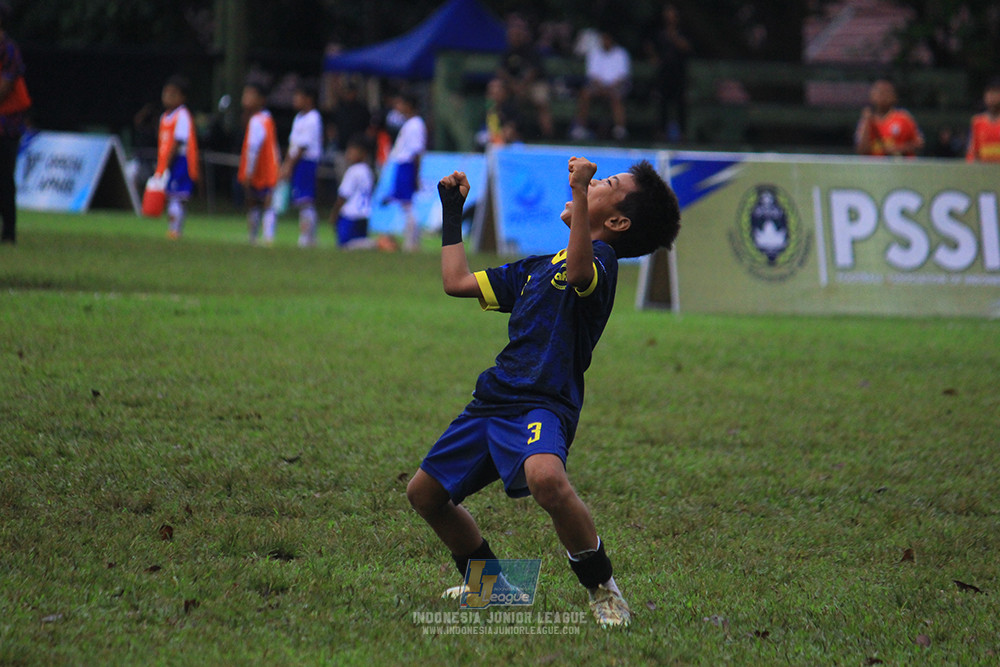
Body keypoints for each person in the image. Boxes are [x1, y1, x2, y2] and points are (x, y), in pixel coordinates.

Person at [406, 156, 681, 627]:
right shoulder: (535, 268)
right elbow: (456, 282)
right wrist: (452, 211)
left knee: (547, 479)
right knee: (424, 494)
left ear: (616, 221)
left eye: (604, 183)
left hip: (542, 403)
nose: (590, 184)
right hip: (493, 401)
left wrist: (578, 190)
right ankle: (492, 589)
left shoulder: (602, 263)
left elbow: (578, 274)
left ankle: (603, 590)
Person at [278, 82, 323, 247]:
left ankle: (307, 237)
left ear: (308, 99)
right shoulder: (299, 118)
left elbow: (303, 146)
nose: (295, 100)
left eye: (298, 96)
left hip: (306, 162)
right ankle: (310, 236)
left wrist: (289, 165)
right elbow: (294, 144)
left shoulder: (313, 118)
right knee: (301, 201)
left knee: (305, 200)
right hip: (297, 161)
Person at [156, 75, 200, 240]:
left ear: (182, 98)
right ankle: (174, 228)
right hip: (168, 161)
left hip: (180, 161)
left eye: (173, 94)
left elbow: (177, 141)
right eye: (166, 93)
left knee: (177, 196)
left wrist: (167, 162)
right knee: (171, 196)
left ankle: (175, 230)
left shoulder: (182, 115)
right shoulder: (164, 117)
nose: (168, 97)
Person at [0, 2, 30, 245]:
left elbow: (5, 86)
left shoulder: (8, 49)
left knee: (4, 178)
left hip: (6, 125)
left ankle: (9, 233)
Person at [496, 15, 554, 139]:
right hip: (515, 86)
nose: (513, 36)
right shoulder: (509, 50)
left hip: (534, 85)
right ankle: (499, 132)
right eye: (511, 33)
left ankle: (549, 136)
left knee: (542, 101)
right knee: (496, 92)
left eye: (516, 33)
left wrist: (521, 85)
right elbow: (502, 71)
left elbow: (534, 71)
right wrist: (514, 85)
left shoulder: (531, 49)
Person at [237, 82, 280, 245]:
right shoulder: (267, 118)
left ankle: (258, 237)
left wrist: (248, 171)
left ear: (261, 99)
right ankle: (266, 237)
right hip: (269, 168)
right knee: (262, 203)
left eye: (250, 95)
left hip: (261, 169)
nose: (245, 99)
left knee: (258, 202)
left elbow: (253, 148)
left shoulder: (257, 120)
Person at [571, 30, 632, 142]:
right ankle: (580, 128)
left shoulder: (621, 53)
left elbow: (623, 76)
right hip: (598, 86)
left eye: (607, 39)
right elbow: (592, 75)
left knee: (616, 95)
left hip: (615, 87)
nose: (605, 42)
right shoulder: (595, 53)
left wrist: (610, 88)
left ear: (612, 40)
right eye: (603, 39)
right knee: (585, 93)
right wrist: (602, 87)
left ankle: (620, 130)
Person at [646, 4, 692, 142]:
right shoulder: (659, 31)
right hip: (663, 73)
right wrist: (653, 56)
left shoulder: (682, 31)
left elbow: (687, 48)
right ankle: (661, 133)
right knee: (662, 104)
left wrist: (674, 37)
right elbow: (648, 44)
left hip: (678, 73)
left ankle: (682, 134)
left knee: (680, 104)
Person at [387, 91, 426, 251]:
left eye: (400, 104)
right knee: (404, 204)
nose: (398, 107)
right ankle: (410, 239)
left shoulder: (416, 124)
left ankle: (413, 241)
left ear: (408, 105)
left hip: (408, 165)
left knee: (407, 204)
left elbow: (416, 152)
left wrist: (416, 174)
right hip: (404, 164)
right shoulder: (409, 123)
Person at [854, 79, 924, 157]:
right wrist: (867, 121)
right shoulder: (866, 121)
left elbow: (919, 144)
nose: (882, 95)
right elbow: (861, 151)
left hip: (901, 166)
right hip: (875, 167)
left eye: (887, 92)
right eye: (878, 92)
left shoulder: (904, 117)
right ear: (872, 96)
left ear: (894, 97)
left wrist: (898, 149)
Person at [330, 134, 374, 249]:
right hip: (364, 214)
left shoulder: (353, 171)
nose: (348, 153)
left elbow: (343, 195)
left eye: (352, 150)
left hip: (349, 215)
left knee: (345, 246)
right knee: (359, 246)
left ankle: (378, 244)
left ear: (363, 153)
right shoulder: (367, 171)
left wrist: (334, 214)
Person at [966, 78, 1000, 163]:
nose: (991, 96)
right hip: (983, 172)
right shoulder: (977, 122)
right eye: (988, 93)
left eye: (995, 93)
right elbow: (972, 152)